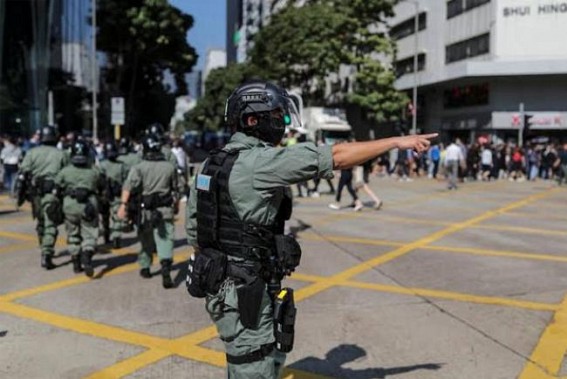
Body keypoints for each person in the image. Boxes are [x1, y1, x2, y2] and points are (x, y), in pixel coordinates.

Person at [184, 80, 436, 379]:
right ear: (252, 120)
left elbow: (196, 233)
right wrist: (395, 141)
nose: (283, 122)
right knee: (254, 365)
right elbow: (336, 156)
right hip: (244, 288)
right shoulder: (259, 162)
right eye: (276, 116)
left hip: (226, 284)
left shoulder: (212, 164)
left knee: (250, 359)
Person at [117, 133, 180, 289]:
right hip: (165, 209)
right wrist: (177, 205)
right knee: (166, 239)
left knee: (146, 240)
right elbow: (177, 189)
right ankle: (166, 270)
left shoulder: (139, 167)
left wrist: (123, 205)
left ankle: (145, 267)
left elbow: (128, 187)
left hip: (145, 211)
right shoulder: (170, 167)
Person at [18, 126, 69, 269]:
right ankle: (46, 254)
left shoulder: (31, 153)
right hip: (53, 193)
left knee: (40, 221)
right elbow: (68, 173)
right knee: (50, 223)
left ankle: (42, 245)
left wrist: (21, 195)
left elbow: (23, 173)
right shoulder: (62, 154)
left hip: (35, 194)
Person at [55, 139, 102, 276]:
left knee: (73, 234)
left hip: (69, 205)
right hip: (88, 205)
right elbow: (102, 186)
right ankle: (87, 258)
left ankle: (76, 263)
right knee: (89, 233)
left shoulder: (64, 172)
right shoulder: (94, 171)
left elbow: (56, 188)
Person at [99, 141, 127, 249]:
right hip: (116, 194)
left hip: (104, 195)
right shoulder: (121, 166)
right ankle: (116, 237)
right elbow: (126, 181)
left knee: (105, 216)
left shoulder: (101, 164)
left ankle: (107, 235)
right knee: (117, 217)